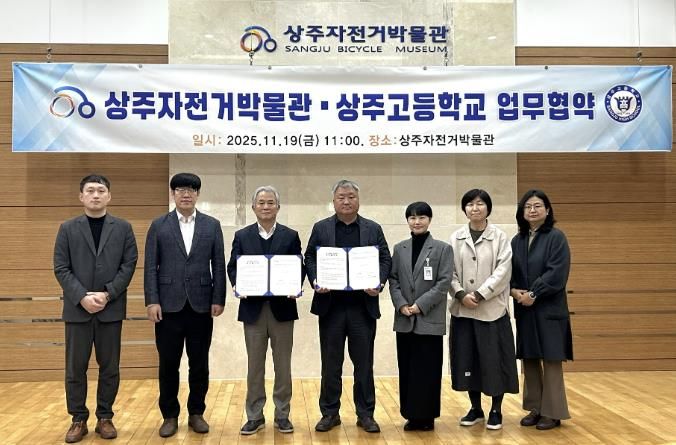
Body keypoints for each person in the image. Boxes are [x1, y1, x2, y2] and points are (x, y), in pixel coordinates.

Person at [54, 174, 138, 443]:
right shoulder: (67, 228)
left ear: (109, 196)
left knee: (110, 367)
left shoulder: (123, 228)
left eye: (101, 190)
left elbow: (129, 265)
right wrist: (81, 297)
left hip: (110, 309)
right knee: (75, 368)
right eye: (90, 190)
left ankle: (105, 417)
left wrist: (107, 293)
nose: (95, 195)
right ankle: (78, 419)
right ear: (81, 196)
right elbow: (61, 267)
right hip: (77, 310)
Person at [305, 179, 392, 433]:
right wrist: (315, 280)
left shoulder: (373, 228)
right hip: (330, 307)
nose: (346, 201)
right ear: (333, 201)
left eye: (351, 197)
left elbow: (385, 258)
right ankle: (330, 413)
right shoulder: (321, 228)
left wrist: (379, 283)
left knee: (363, 365)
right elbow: (309, 257)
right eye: (341, 197)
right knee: (330, 364)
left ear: (358, 200)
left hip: (362, 308)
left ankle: (366, 414)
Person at [144, 173, 226, 438]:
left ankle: (196, 413)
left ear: (198, 194)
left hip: (201, 305)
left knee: (199, 364)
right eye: (180, 189)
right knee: (168, 364)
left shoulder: (212, 225)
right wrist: (152, 300)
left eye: (191, 189)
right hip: (168, 306)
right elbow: (150, 266)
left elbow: (219, 264)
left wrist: (218, 298)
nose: (186, 194)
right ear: (173, 194)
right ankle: (169, 416)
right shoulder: (159, 225)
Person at [227, 186, 304, 435]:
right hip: (253, 310)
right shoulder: (242, 236)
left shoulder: (290, 236)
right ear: (253, 207)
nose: (266, 207)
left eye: (271, 202)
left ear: (278, 207)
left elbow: (299, 266)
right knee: (255, 366)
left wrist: (295, 285)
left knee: (283, 366)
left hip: (283, 309)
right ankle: (254, 415)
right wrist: (238, 284)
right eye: (261, 203)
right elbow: (233, 266)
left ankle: (282, 414)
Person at [449, 189, 518, 431]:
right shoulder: (456, 237)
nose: (475, 208)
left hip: (492, 311)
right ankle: (475, 408)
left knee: (494, 361)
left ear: (488, 208)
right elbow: (449, 272)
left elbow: (503, 272)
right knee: (468, 359)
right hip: (463, 311)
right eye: (470, 204)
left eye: (480, 204)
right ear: (464, 209)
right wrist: (460, 294)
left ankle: (496, 409)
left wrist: (479, 294)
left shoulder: (500, 237)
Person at [510, 189, 573, 430]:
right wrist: (514, 292)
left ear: (547, 210)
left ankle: (553, 412)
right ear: (522, 212)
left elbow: (557, 273)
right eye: (528, 206)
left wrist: (534, 293)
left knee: (551, 359)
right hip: (525, 309)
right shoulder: (517, 241)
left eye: (537, 206)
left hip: (549, 309)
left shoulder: (556, 237)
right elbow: (509, 271)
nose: (532, 210)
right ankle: (536, 408)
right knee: (530, 358)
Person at [388, 201, 452, 431]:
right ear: (407, 221)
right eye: (412, 217)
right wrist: (402, 305)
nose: (417, 222)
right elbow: (393, 279)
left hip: (428, 319)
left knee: (428, 370)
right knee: (407, 369)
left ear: (429, 220)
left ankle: (427, 417)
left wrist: (419, 306)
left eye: (422, 217)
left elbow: (443, 282)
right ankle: (411, 415)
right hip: (405, 319)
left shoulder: (443, 249)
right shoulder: (400, 248)